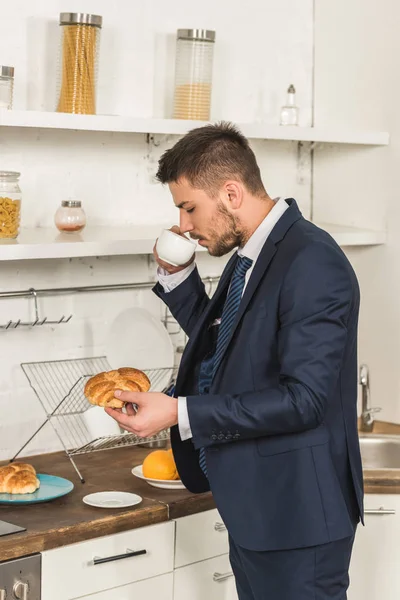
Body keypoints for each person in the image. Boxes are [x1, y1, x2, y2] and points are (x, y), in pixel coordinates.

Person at [106, 122, 363, 600]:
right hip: (259, 515)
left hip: (299, 522)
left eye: (189, 207)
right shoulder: (252, 255)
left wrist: (180, 412)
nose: (183, 225)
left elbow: (304, 400)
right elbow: (232, 347)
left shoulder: (312, 261)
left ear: (230, 192)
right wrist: (181, 280)